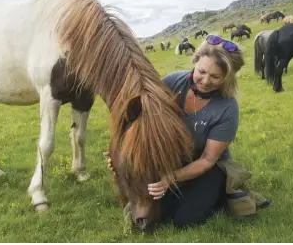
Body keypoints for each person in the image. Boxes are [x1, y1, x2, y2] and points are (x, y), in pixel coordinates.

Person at [104, 34, 269, 228]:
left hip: (208, 166)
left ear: (227, 77)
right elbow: (142, 122)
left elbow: (207, 159)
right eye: (201, 71)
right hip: (173, 157)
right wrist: (121, 155)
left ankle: (222, 191)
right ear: (195, 61)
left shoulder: (227, 108)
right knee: (157, 210)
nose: (205, 81)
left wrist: (170, 179)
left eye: (215, 77)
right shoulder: (172, 82)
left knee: (185, 219)